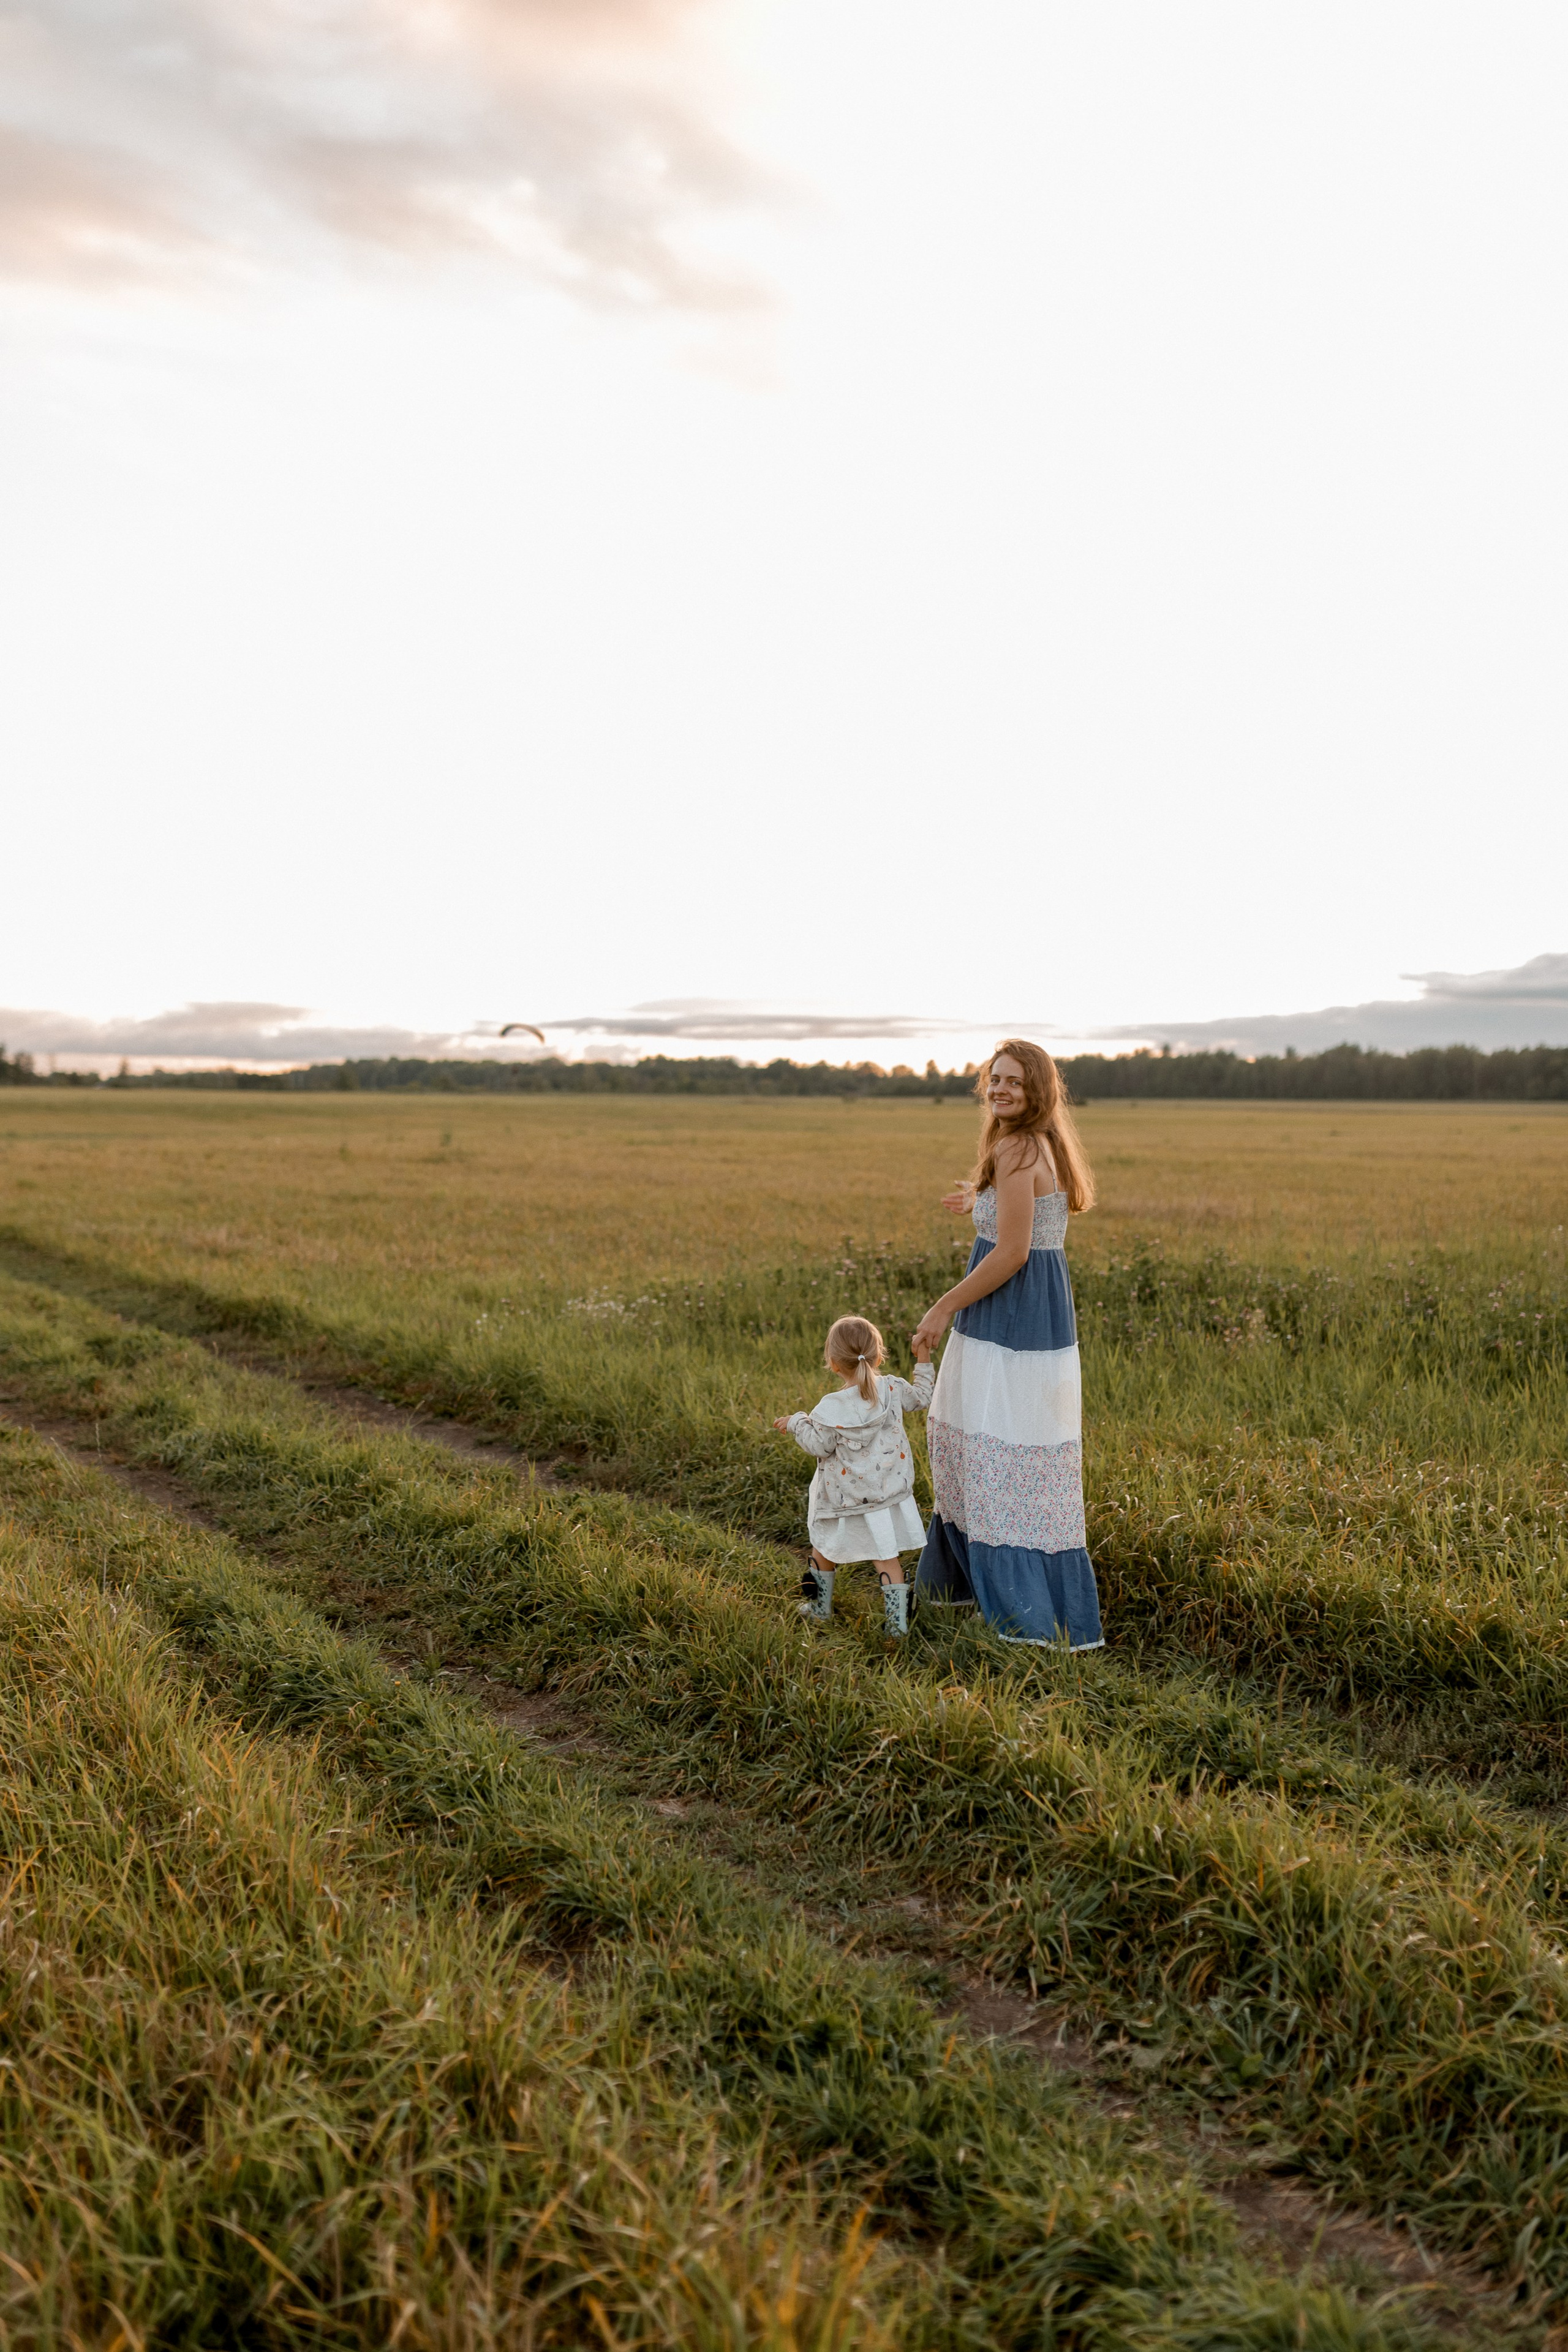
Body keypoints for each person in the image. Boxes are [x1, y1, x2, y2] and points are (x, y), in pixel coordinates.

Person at [910, 1041, 1103, 1651]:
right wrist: (981, 1199)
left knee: (988, 1452)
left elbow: (1014, 1251)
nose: (999, 1089)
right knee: (1016, 1455)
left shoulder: (1017, 1147)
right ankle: (1022, 1599)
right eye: (994, 1079)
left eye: (1014, 1081)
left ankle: (1017, 1613)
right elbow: (1031, 1215)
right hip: (1035, 1322)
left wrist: (943, 1307)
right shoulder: (1037, 1143)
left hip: (1010, 1321)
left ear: (1037, 1090)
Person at [774, 1314, 935, 1637]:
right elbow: (923, 1396)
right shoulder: (892, 1388)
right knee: (886, 1557)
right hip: (887, 1494)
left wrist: (796, 1422)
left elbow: (819, 1445)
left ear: (834, 1364)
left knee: (824, 1546)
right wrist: (924, 1357)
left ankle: (820, 1609)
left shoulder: (830, 1408)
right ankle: (897, 1626)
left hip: (843, 1499)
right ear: (878, 1356)